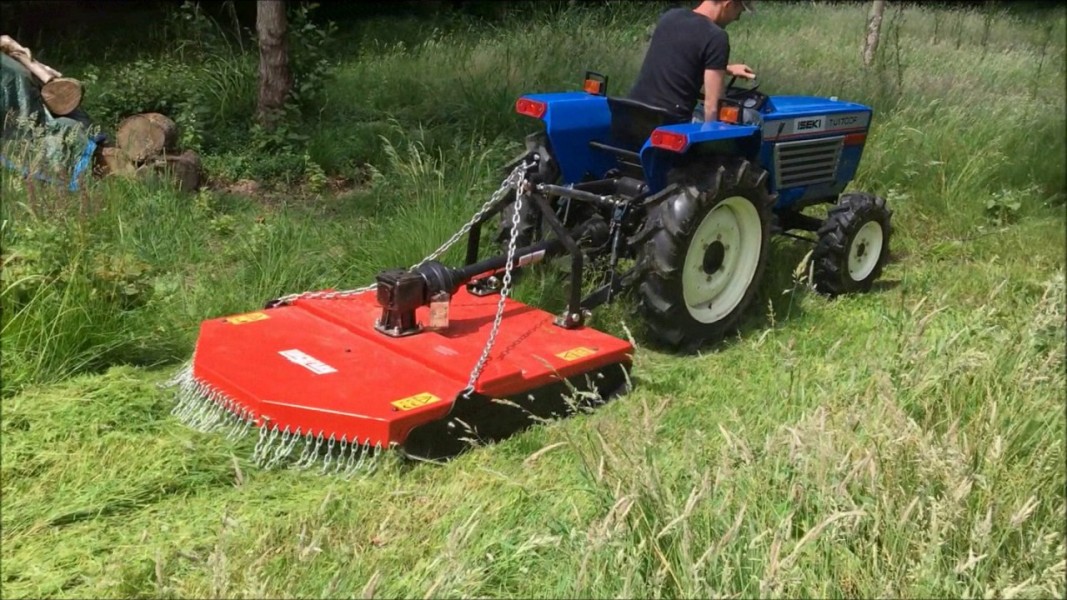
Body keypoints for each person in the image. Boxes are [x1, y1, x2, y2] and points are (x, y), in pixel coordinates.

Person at [628, 0, 756, 124]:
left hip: (634, 112)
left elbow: (681, 56)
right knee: (752, 119)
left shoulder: (670, 17)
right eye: (739, 12)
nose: (737, 19)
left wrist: (725, 68)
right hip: (672, 120)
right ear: (729, 4)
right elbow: (712, 106)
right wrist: (712, 141)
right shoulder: (716, 37)